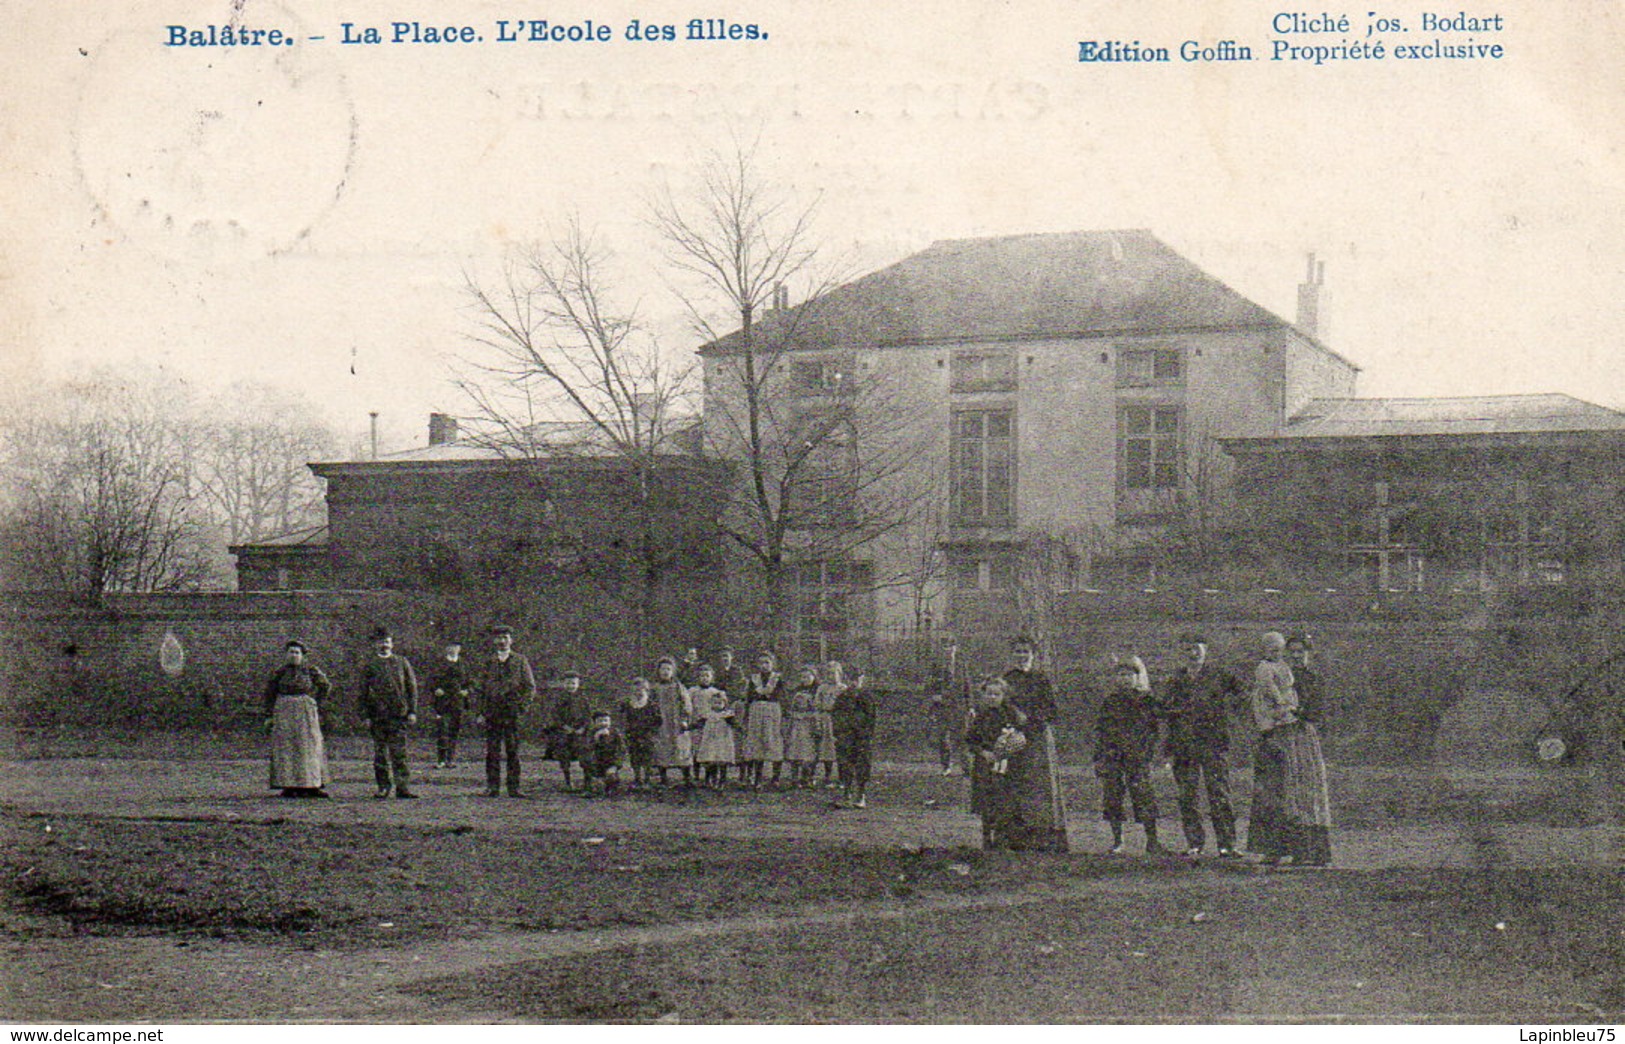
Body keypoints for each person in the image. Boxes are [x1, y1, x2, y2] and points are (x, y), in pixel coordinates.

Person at [1246, 631, 1334, 867]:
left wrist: (1295, 712)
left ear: (1308, 654)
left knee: (1303, 793)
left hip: (1302, 738)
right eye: (1291, 651)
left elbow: (1317, 712)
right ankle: (1273, 848)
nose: (1295, 656)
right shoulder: (1274, 673)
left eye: (1300, 652)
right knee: (1273, 792)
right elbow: (1261, 701)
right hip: (1276, 736)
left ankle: (1306, 850)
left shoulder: (1313, 678)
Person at [1155, 632, 1242, 858]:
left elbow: (1241, 695)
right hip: (1184, 745)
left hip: (1213, 743)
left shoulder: (1219, 676)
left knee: (1219, 794)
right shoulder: (1174, 680)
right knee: (1187, 796)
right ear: (1181, 653)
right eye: (1187, 650)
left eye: (1197, 649)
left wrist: (1224, 718)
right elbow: (1162, 709)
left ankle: (1227, 845)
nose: (1193, 654)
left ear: (1205, 651)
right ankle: (1195, 843)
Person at [1000, 636, 1070, 853]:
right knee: (1015, 784)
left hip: (1037, 738)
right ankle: (1017, 837)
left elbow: (1052, 711)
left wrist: (1030, 720)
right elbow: (1001, 706)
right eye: (1018, 652)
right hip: (1013, 737)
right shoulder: (1007, 679)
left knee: (1040, 785)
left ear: (1033, 655)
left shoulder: (1041, 679)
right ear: (1012, 655)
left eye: (1026, 652)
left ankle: (1045, 837)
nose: (1022, 656)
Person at [1095, 659, 1163, 854]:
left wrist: (1147, 753)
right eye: (1121, 675)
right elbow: (1101, 731)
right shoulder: (1110, 701)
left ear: (1137, 677)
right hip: (1113, 756)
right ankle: (1118, 841)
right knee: (1113, 797)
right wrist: (1100, 757)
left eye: (1129, 675)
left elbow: (1153, 730)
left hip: (1137, 756)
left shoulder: (1146, 700)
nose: (1125, 679)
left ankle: (1152, 841)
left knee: (1144, 796)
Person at [965, 676, 1030, 850]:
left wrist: (1009, 748)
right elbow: (971, 740)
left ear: (1003, 695)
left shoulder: (1011, 714)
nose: (993, 697)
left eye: (997, 694)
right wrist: (983, 752)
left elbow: (1022, 734)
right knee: (987, 803)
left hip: (1007, 765)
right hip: (985, 765)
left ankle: (1004, 840)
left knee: (1006, 801)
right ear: (984, 695)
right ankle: (987, 839)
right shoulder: (981, 716)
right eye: (989, 694)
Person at [263, 640, 331, 798]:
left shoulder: (311, 671)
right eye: (291, 652)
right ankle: (289, 785)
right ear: (286, 655)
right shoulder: (279, 673)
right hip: (284, 711)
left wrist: (315, 702)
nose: (294, 655)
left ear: (302, 655)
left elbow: (325, 686)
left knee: (308, 746)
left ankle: (311, 785)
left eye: (297, 652)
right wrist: (270, 714)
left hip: (305, 710)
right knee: (287, 747)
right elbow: (269, 694)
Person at [357, 627, 419, 800]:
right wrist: (365, 715)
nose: (384, 645)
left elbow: (411, 688)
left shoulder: (402, 662)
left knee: (400, 753)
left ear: (392, 644)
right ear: (375, 644)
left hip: (398, 715)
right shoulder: (369, 665)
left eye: (387, 641)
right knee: (380, 754)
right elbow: (362, 692)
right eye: (381, 642)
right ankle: (383, 787)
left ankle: (403, 787)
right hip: (377, 716)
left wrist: (412, 711)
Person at [479, 625, 537, 797]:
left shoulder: (520, 660)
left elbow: (530, 687)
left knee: (513, 750)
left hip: (512, 712)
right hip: (492, 712)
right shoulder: (488, 662)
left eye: (505, 637)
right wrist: (482, 711)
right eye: (499, 638)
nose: (502, 641)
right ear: (493, 641)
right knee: (492, 750)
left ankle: (514, 787)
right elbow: (480, 688)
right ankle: (493, 787)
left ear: (511, 640)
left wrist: (521, 707)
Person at [831, 667, 876, 808]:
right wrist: (838, 733)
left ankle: (861, 795)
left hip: (861, 736)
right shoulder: (842, 697)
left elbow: (871, 718)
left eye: (857, 679)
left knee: (862, 765)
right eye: (851, 680)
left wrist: (867, 734)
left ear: (862, 680)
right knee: (845, 765)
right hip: (845, 735)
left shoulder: (867, 697)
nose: (854, 683)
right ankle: (846, 794)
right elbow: (836, 716)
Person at [740, 652, 786, 789]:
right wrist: (746, 715)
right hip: (756, 711)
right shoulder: (754, 679)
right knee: (757, 741)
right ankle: (757, 778)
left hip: (772, 711)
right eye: (762, 663)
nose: (764, 666)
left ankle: (775, 777)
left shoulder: (778, 679)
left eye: (767, 662)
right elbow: (749, 697)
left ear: (772, 664)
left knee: (773, 740)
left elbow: (781, 696)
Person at [925, 640, 968, 775]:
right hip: (942, 706)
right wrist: (934, 696)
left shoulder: (961, 665)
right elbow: (929, 685)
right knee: (944, 736)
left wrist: (970, 706)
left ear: (955, 648)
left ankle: (965, 766)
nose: (948, 650)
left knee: (963, 737)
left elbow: (967, 685)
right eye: (945, 647)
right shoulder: (936, 666)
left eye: (951, 647)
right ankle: (946, 766)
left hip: (959, 705)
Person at [650, 656, 694, 787]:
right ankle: (663, 777)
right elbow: (650, 705)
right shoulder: (654, 688)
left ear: (673, 671)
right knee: (662, 747)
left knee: (682, 747)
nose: (665, 671)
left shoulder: (678, 687)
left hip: (676, 722)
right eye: (662, 669)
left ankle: (687, 777)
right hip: (661, 723)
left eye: (668, 669)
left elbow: (686, 704)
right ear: (658, 671)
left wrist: (685, 719)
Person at [691, 664, 737, 788]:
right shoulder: (693, 691)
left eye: (707, 675)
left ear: (712, 677)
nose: (704, 678)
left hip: (721, 738)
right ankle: (701, 777)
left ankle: (720, 780)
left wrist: (737, 726)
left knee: (719, 758)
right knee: (703, 753)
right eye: (702, 676)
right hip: (706, 731)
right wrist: (691, 724)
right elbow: (694, 712)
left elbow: (732, 721)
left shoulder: (716, 692)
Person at [429, 641, 471, 769]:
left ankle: (450, 759)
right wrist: (436, 689)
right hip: (443, 702)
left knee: (454, 730)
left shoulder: (464, 664)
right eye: (451, 647)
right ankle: (441, 760)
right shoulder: (439, 663)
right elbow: (431, 680)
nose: (454, 649)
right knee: (443, 730)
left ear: (460, 648)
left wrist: (466, 690)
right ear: (446, 648)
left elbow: (469, 681)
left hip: (457, 701)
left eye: (456, 647)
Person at [546, 671, 591, 791]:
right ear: (563, 684)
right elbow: (554, 715)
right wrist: (564, 727)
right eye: (568, 683)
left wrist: (582, 728)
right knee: (563, 754)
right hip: (564, 731)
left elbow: (588, 715)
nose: (571, 686)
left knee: (585, 752)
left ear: (578, 684)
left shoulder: (583, 699)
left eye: (573, 683)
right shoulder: (558, 698)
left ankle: (587, 782)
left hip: (580, 731)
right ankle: (568, 781)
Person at [784, 664, 822, 787]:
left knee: (810, 752)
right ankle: (794, 778)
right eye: (802, 677)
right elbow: (791, 706)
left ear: (814, 676)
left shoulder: (818, 689)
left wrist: (814, 720)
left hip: (810, 725)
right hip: (797, 726)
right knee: (795, 751)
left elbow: (818, 708)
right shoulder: (797, 690)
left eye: (807, 677)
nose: (805, 680)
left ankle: (808, 777)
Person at [621, 677, 661, 789]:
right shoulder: (629, 704)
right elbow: (625, 719)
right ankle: (637, 778)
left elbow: (658, 721)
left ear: (646, 690)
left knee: (647, 758)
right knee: (635, 757)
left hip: (647, 735)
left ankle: (647, 779)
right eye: (636, 690)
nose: (638, 692)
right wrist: (628, 731)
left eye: (641, 690)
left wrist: (652, 733)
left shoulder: (652, 705)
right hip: (633, 734)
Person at [814, 661, 845, 787]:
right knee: (827, 748)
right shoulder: (822, 688)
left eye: (834, 673)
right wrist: (818, 720)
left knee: (840, 748)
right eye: (828, 674)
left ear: (840, 674)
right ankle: (827, 776)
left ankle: (843, 778)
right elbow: (817, 704)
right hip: (826, 718)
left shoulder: (843, 688)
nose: (831, 676)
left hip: (838, 718)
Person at [582, 711, 628, 795]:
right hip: (596, 761)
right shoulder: (590, 733)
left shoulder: (615, 733)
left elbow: (622, 749)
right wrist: (596, 738)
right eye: (600, 721)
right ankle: (591, 787)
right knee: (594, 781)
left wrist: (616, 764)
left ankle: (611, 787)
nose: (603, 723)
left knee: (611, 777)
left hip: (610, 761)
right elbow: (586, 749)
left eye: (606, 720)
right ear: (594, 722)